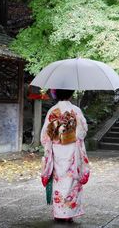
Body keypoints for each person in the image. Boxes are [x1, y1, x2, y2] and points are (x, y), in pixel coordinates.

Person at [40, 89, 90, 222]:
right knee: (72, 180)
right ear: (71, 94)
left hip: (57, 150)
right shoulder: (76, 110)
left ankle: (59, 213)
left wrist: (57, 135)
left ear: (56, 94)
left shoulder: (52, 110)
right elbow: (83, 131)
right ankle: (69, 213)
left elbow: (45, 136)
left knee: (59, 180)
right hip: (73, 150)